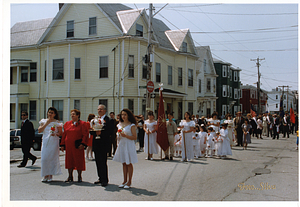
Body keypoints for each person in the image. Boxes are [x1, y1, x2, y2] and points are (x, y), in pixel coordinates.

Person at [60, 109, 89, 183]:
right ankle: (70, 176)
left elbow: (85, 134)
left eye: (74, 114)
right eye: (71, 114)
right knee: (69, 160)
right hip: (69, 145)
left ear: (78, 115)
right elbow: (64, 135)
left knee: (78, 160)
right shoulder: (67, 124)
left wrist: (83, 143)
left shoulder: (83, 124)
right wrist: (62, 144)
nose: (72, 116)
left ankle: (79, 176)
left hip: (77, 145)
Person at [113, 109, 138, 189]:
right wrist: (118, 136)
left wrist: (126, 136)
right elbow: (118, 134)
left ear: (128, 116)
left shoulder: (132, 125)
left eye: (125, 115)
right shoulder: (120, 124)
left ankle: (129, 181)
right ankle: (124, 180)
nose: (123, 116)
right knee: (123, 162)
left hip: (129, 144)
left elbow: (134, 137)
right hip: (122, 144)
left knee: (129, 163)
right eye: (122, 114)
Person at [90, 104, 114, 186]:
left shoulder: (109, 120)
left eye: (101, 109)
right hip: (96, 143)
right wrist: (95, 132)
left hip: (104, 143)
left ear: (105, 110)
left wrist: (101, 133)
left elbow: (111, 131)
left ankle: (105, 179)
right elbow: (91, 130)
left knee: (103, 161)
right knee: (97, 161)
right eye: (98, 109)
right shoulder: (94, 120)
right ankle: (100, 177)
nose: (99, 111)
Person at [38, 107, 63, 182]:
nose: (50, 114)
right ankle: (45, 175)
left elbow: (60, 133)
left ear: (55, 114)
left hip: (53, 141)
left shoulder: (57, 122)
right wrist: (47, 123)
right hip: (45, 141)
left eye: (52, 113)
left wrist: (55, 134)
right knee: (44, 158)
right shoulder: (44, 121)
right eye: (49, 112)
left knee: (51, 158)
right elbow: (39, 130)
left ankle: (50, 175)